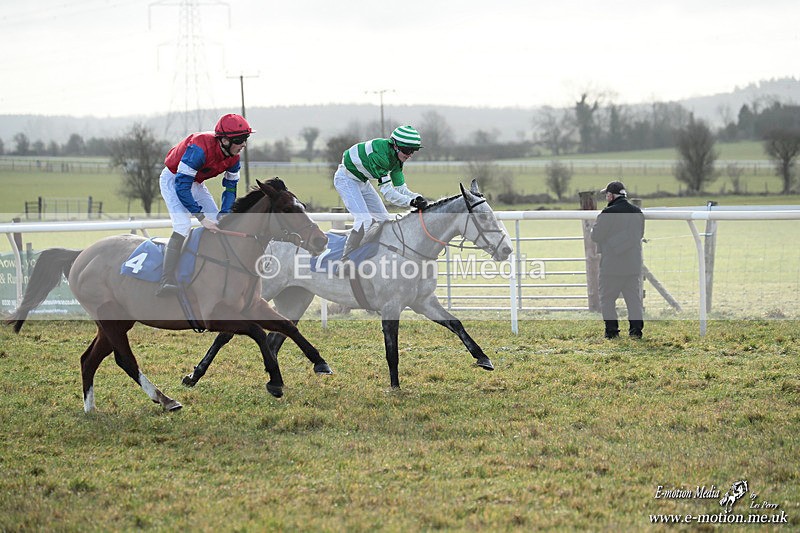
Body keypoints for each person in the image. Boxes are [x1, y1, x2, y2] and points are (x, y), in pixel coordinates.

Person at [156, 113, 254, 296]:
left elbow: (231, 188)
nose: (244, 145)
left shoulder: (234, 158)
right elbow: (182, 187)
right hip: (174, 179)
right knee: (183, 225)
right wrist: (201, 218)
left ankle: (216, 271)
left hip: (195, 183)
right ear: (224, 140)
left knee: (219, 223)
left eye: (245, 139)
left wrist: (225, 213)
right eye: (240, 140)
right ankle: (166, 280)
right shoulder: (199, 148)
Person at [333, 125, 428, 261]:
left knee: (384, 220)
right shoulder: (381, 156)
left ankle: (372, 255)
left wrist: (416, 197)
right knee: (364, 220)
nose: (410, 155)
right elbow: (388, 193)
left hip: (362, 181)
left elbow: (401, 188)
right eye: (407, 150)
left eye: (413, 151)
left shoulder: (397, 158)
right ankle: (345, 259)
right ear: (395, 146)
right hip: (345, 179)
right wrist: (410, 202)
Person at [590, 180, 645, 339]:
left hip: (611, 265)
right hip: (632, 265)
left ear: (611, 195)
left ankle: (612, 332)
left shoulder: (607, 213)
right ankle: (636, 332)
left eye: (606, 194)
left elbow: (596, 235)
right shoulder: (637, 212)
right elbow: (639, 235)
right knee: (633, 300)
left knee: (607, 299)